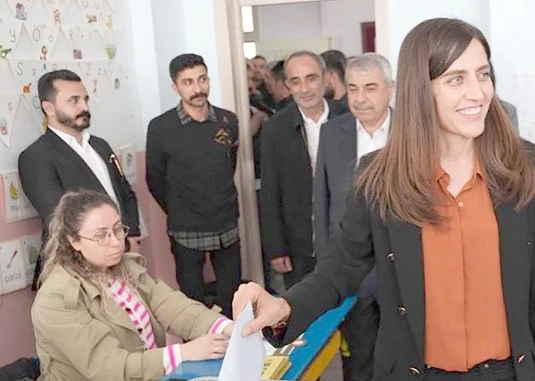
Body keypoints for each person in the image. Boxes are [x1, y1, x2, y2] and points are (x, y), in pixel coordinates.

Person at [235, 18, 535, 381]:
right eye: (456, 79)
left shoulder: (522, 166)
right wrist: (283, 307)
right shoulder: (380, 178)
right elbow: (339, 269)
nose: (477, 92)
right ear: (420, 89)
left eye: (483, 74)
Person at [32, 190, 234, 381]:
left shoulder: (122, 266)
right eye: (101, 236)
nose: (116, 242)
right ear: (73, 241)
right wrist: (185, 352)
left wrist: (226, 327)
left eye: (118, 230)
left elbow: (172, 306)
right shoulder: (55, 300)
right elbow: (111, 369)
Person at [19, 69, 141, 289]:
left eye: (85, 99)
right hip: (75, 273)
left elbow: (125, 194)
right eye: (74, 100)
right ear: (48, 108)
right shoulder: (36, 156)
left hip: (120, 260)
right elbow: (59, 218)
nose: (84, 107)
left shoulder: (100, 145)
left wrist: (131, 237)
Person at [313, 53, 394, 381]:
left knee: (403, 353)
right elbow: (322, 201)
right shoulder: (333, 132)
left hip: (401, 264)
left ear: (390, 88)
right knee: (358, 356)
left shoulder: (414, 130)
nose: (360, 98)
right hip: (352, 266)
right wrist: (326, 264)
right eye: (353, 88)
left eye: (370, 88)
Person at [146, 53, 241, 318]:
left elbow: (229, 164)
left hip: (226, 223)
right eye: (188, 82)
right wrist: (180, 208)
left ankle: (235, 341)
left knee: (233, 298)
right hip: (185, 228)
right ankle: (199, 343)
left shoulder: (228, 120)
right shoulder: (161, 127)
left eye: (202, 79)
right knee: (191, 304)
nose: (198, 88)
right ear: (175, 87)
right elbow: (154, 179)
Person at [259, 50, 346, 289]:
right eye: (295, 82)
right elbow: (270, 192)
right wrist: (276, 248)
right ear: (287, 85)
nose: (304, 89)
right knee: (303, 305)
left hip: (345, 239)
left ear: (325, 78)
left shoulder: (346, 117)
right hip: (299, 244)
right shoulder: (275, 128)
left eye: (311, 78)